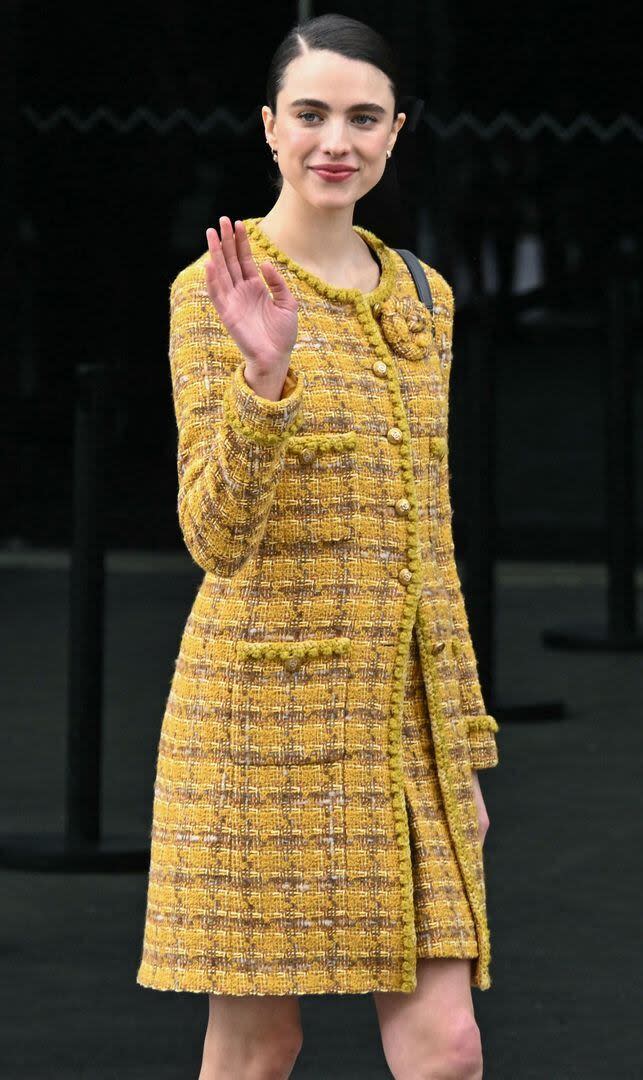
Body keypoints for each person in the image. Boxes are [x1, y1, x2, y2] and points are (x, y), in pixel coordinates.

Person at [136, 13, 500, 1080]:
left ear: (396, 133)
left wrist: (463, 746)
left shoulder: (425, 296)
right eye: (310, 114)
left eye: (362, 117)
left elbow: (428, 537)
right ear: (268, 127)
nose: (334, 140)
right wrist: (263, 380)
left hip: (399, 726)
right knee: (259, 1047)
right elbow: (214, 534)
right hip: (260, 719)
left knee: (447, 1050)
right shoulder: (211, 292)